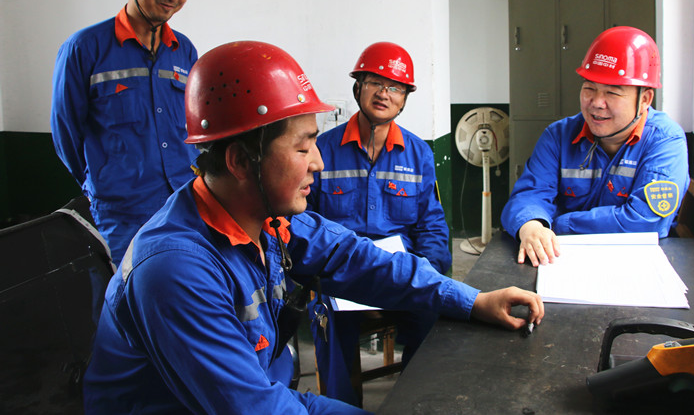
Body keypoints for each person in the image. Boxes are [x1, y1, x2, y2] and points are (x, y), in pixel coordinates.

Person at [82, 40, 545, 415]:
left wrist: (472, 300)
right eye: (303, 148)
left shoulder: (268, 219)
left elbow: (358, 259)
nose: (319, 162)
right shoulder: (176, 272)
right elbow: (259, 409)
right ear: (241, 161)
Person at [51, 0, 203, 265]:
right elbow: (66, 133)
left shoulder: (185, 52)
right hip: (121, 215)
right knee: (126, 292)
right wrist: (102, 185)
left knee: (183, 289)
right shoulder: (84, 48)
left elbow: (194, 129)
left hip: (184, 205)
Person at [307, 41, 450, 405]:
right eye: (375, 83)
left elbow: (431, 225)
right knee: (327, 322)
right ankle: (341, 409)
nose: (384, 94)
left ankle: (412, 405)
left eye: (395, 87)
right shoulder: (322, 150)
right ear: (359, 87)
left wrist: (428, 272)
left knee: (434, 323)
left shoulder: (419, 154)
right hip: (341, 272)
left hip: (399, 271)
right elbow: (305, 221)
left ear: (405, 99)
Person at [501, 26, 689, 267]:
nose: (597, 103)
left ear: (644, 99)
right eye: (589, 88)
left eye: (612, 92)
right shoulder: (558, 136)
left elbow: (645, 221)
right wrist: (532, 225)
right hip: (562, 261)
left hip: (634, 263)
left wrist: (560, 224)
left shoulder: (664, 141)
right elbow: (530, 195)